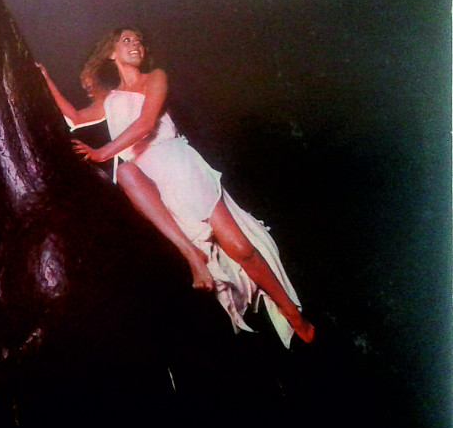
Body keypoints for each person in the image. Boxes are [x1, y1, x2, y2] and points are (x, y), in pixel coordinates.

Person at [38, 28, 314, 346]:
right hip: (146, 176)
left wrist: (102, 152)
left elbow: (145, 125)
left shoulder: (155, 77)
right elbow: (74, 116)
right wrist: (44, 78)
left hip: (178, 165)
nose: (135, 44)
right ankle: (192, 255)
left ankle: (291, 311)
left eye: (139, 40)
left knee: (242, 250)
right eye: (126, 40)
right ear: (111, 53)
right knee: (125, 171)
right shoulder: (110, 99)